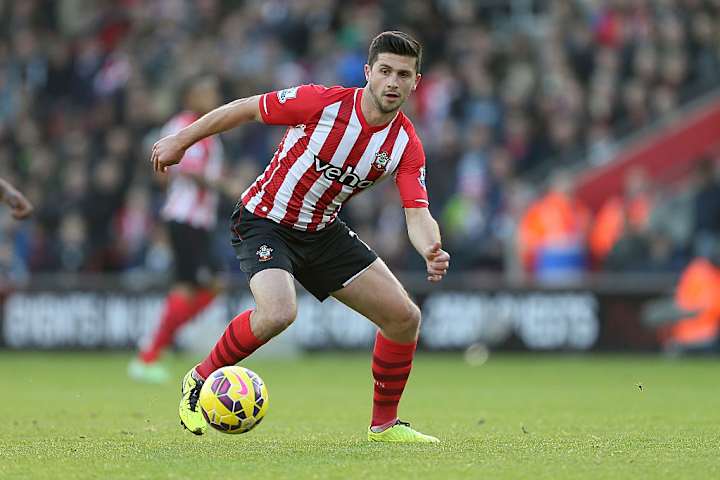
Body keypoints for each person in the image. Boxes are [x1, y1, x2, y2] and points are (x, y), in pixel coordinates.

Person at [151, 31, 450, 442]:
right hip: (263, 219)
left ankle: (383, 425)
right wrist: (181, 141)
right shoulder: (321, 102)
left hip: (322, 231)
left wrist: (430, 247)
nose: (393, 82)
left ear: (416, 82)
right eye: (385, 71)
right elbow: (248, 109)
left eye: (403, 74)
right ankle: (199, 379)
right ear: (368, 73)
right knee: (278, 313)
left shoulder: (404, 144)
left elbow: (417, 212)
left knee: (404, 318)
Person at [129, 75, 226, 383]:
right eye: (205, 92)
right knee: (188, 286)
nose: (211, 97)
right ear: (189, 97)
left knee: (213, 285)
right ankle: (149, 354)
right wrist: (227, 185)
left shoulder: (212, 130)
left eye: (213, 92)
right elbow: (178, 170)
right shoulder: (181, 127)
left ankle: (160, 339)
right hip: (184, 217)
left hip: (200, 220)